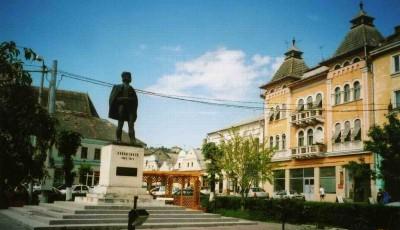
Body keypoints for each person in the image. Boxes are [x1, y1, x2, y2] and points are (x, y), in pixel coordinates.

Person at [108, 72, 138, 144]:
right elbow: (113, 98)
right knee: (120, 124)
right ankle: (118, 139)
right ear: (123, 78)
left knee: (131, 125)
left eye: (129, 77)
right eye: (127, 76)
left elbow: (135, 100)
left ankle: (132, 140)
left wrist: (128, 99)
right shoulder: (117, 87)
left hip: (130, 109)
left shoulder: (131, 89)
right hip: (121, 108)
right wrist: (123, 99)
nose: (128, 78)